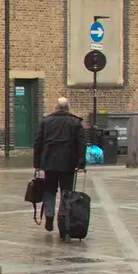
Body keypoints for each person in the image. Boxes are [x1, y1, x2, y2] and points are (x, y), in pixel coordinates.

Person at [32, 97, 85, 233]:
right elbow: (81, 144)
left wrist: (37, 162)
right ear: (68, 107)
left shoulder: (46, 121)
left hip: (49, 161)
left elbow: (38, 141)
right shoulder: (76, 122)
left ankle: (49, 215)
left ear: (56, 107)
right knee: (66, 192)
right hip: (68, 163)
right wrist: (81, 164)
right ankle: (64, 221)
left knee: (49, 190)